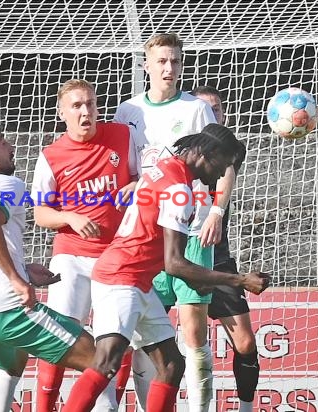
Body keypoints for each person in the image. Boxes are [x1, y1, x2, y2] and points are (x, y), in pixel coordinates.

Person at [61, 123, 271, 412]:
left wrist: (206, 281)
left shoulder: (165, 167)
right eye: (223, 165)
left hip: (138, 281)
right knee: (106, 361)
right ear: (208, 153)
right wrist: (239, 280)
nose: (222, 174)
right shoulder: (178, 189)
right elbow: (175, 263)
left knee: (172, 364)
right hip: (120, 279)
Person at [114, 33, 234, 411]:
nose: (169, 69)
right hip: (147, 231)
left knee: (194, 332)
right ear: (146, 65)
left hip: (191, 226)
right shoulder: (127, 111)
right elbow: (126, 171)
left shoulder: (196, 110)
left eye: (176, 62)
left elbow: (225, 162)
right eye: (162, 62)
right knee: (141, 335)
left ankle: (199, 407)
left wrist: (216, 210)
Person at [0, 120, 99, 412]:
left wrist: (23, 269)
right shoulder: (7, 183)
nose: (11, 147)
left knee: (12, 364)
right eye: (3, 143)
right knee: (99, 358)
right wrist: (17, 279)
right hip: (6, 310)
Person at [31, 79, 139, 411]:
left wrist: (134, 186)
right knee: (60, 338)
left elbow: (139, 176)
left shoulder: (121, 136)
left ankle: (108, 406)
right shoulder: (51, 156)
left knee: (117, 341)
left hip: (117, 257)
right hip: (72, 257)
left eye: (90, 104)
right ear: (62, 112)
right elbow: (40, 213)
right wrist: (71, 218)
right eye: (76, 106)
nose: (85, 111)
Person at [192, 85, 259, 412]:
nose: (210, 116)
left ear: (224, 116)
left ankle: (245, 408)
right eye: (203, 110)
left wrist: (216, 212)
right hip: (168, 256)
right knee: (140, 341)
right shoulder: (178, 153)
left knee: (245, 342)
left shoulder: (231, 154)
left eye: (215, 110)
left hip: (215, 258)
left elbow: (228, 168)